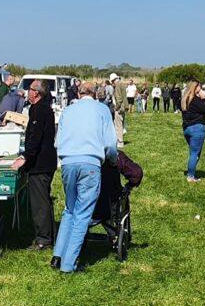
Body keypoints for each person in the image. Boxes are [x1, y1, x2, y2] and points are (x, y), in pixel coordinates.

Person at [51, 81, 118, 273]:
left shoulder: (68, 111)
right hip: (90, 163)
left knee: (69, 209)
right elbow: (110, 143)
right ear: (95, 94)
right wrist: (112, 160)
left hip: (68, 162)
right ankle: (68, 264)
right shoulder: (102, 109)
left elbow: (58, 141)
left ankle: (58, 255)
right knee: (82, 214)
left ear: (79, 94)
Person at [11, 80, 57, 250]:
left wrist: (25, 157)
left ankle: (43, 240)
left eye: (30, 89)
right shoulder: (43, 109)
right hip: (45, 162)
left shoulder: (39, 110)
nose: (27, 91)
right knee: (43, 200)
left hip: (41, 163)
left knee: (39, 203)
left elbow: (35, 138)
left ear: (36, 93)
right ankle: (49, 235)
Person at [181, 79, 205, 182]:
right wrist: (203, 98)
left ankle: (191, 173)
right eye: (199, 87)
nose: (200, 89)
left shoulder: (185, 99)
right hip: (197, 128)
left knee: (193, 152)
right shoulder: (196, 100)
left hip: (187, 128)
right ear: (195, 87)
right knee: (195, 153)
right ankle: (191, 176)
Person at [110, 73, 128, 148]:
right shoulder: (122, 84)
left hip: (120, 108)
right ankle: (121, 137)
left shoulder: (117, 86)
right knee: (121, 124)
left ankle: (120, 142)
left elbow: (119, 99)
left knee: (118, 125)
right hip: (124, 108)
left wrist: (116, 108)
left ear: (113, 80)